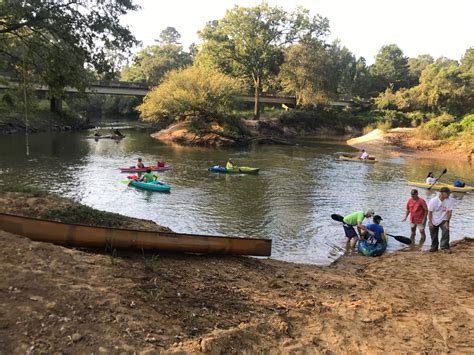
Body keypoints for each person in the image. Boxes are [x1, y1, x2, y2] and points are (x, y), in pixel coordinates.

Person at [428, 187, 454, 252]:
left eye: (449, 193)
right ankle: (434, 247)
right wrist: (430, 222)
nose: (448, 195)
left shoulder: (450, 200)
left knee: (446, 231)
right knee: (433, 234)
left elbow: (449, 212)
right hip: (434, 219)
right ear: (441, 193)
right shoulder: (433, 201)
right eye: (447, 193)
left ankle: (444, 247)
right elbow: (430, 212)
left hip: (444, 219)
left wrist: (447, 221)